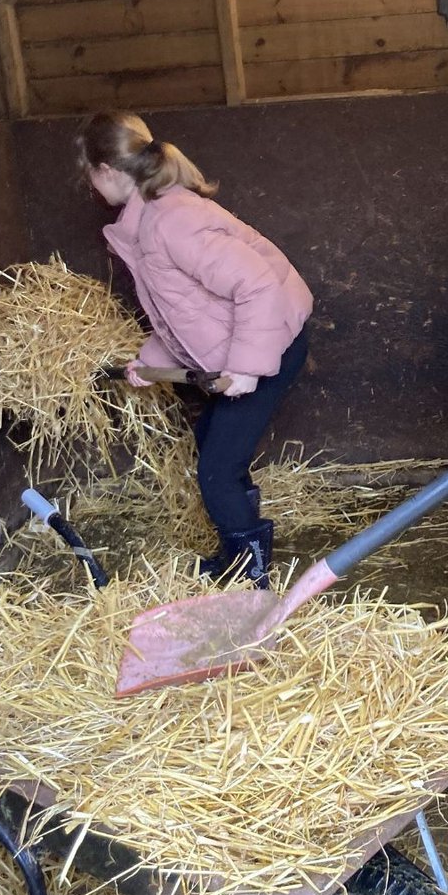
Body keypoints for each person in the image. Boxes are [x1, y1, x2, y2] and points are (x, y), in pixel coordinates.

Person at [77, 110, 313, 588]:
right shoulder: (150, 221)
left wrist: (248, 368)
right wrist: (150, 363)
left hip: (271, 343)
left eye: (88, 174)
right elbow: (183, 315)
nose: (89, 186)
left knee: (216, 472)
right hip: (249, 342)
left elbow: (259, 286)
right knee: (213, 448)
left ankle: (251, 577)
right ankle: (242, 553)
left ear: (106, 171)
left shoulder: (171, 222)